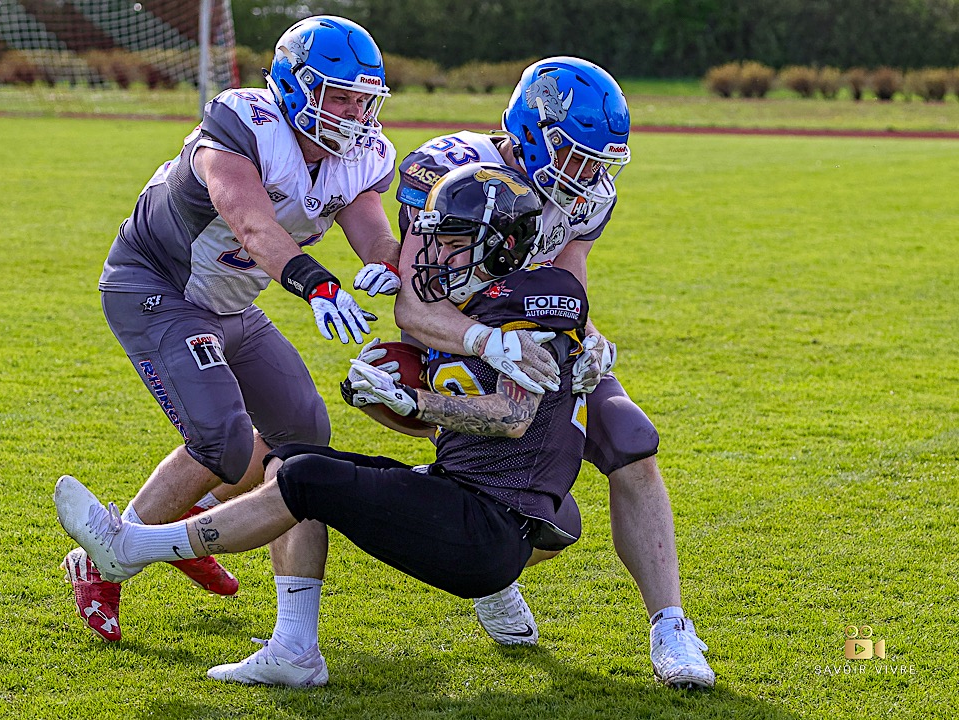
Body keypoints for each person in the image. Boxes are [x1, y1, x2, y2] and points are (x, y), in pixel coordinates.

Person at [54, 163, 591, 687]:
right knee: (292, 458)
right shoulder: (476, 301)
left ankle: (130, 549)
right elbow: (460, 429)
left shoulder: (534, 303)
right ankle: (294, 648)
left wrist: (414, 400)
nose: (434, 255)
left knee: (304, 481)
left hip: (486, 526)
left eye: (454, 242)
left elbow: (514, 418)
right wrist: (386, 403)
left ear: (504, 247)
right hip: (470, 499)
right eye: (435, 239)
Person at [60, 15, 405, 643]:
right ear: (297, 87)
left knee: (304, 440)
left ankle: (187, 534)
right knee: (223, 443)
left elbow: (375, 235)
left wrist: (388, 265)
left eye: (364, 97)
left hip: (231, 302)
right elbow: (251, 227)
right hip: (158, 289)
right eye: (341, 95)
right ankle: (104, 559)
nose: (355, 113)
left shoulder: (359, 158)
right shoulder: (243, 125)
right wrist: (319, 285)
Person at [392, 57, 715, 689]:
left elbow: (564, 285)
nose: (590, 175)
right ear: (535, 131)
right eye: (576, 156)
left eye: (601, 161)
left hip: (540, 336)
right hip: (461, 343)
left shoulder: (587, 195)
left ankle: (672, 631)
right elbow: (415, 304)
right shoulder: (453, 170)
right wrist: (488, 342)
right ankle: (487, 572)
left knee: (633, 445)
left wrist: (589, 340)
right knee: (543, 518)